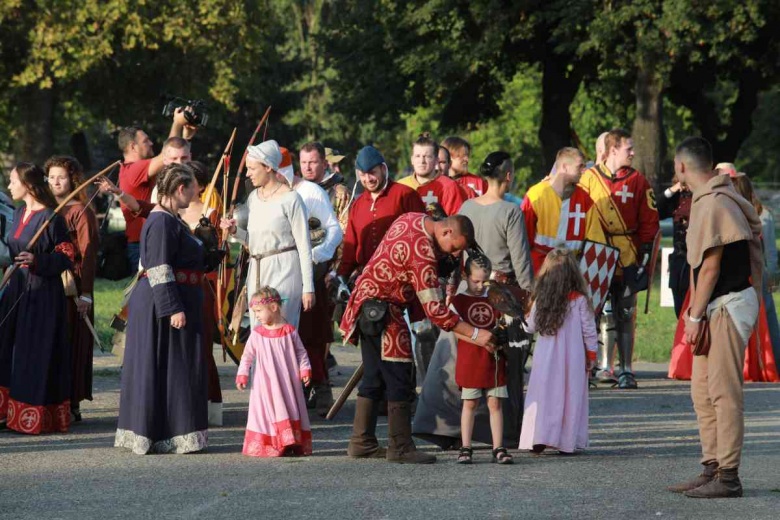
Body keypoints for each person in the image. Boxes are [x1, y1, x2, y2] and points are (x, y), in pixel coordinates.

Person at [340, 213, 495, 464]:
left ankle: (362, 442)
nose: (455, 255)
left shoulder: (413, 218)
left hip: (366, 305)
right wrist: (476, 334)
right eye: (454, 248)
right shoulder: (422, 252)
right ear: (445, 233)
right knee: (399, 376)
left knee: (374, 376)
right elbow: (435, 311)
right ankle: (400, 447)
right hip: (383, 311)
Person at [414, 151, 533, 450]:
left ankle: (446, 429)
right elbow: (521, 266)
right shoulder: (510, 212)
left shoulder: (467, 206)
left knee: (459, 366)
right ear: (509, 176)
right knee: (500, 368)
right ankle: (504, 435)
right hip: (498, 299)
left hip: (467, 296)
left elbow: (457, 255)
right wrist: (529, 299)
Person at [666, 137, 763, 498]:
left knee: (724, 393)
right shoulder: (713, 198)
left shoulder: (715, 201)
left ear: (681, 167)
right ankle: (712, 466)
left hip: (727, 303)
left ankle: (729, 476)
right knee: (702, 391)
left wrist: (693, 318)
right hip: (714, 306)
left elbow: (710, 267)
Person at [114, 164, 208, 454]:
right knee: (169, 366)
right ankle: (164, 433)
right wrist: (172, 308)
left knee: (174, 367)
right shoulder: (161, 222)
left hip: (174, 300)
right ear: (181, 189)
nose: (197, 192)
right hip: (163, 305)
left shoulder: (172, 219)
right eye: (193, 187)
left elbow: (187, 259)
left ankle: (170, 432)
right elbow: (159, 268)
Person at [578, 128, 660, 389]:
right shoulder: (588, 178)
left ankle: (625, 369)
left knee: (625, 312)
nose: (633, 152)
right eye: (629, 148)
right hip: (595, 254)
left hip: (627, 254)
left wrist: (645, 254)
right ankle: (588, 369)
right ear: (613, 150)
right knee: (590, 313)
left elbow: (649, 219)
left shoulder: (638, 181)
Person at [0, 163, 74, 434]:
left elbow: (67, 256)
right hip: (18, 287)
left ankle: (33, 415)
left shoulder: (52, 219)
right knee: (6, 345)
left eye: (13, 181)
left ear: (28, 185)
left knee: (34, 351)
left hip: (42, 293)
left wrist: (38, 260)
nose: (9, 186)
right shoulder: (19, 213)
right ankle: (6, 411)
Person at [221, 140, 314, 329]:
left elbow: (304, 246)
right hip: (257, 270)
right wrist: (234, 232)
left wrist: (308, 288)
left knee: (280, 332)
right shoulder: (254, 198)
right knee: (259, 333)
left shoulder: (291, 199)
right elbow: (253, 242)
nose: (247, 174)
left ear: (268, 167)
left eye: (252, 168)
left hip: (285, 270)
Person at [278, 147, 343, 415]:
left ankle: (320, 387)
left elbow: (333, 229)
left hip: (310, 272)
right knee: (288, 334)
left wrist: (316, 256)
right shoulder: (272, 194)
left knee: (311, 333)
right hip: (283, 273)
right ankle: (293, 390)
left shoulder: (311, 193)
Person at [519, 248, 598, 455]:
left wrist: (523, 315)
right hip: (573, 356)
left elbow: (530, 327)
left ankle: (539, 437)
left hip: (546, 357)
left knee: (543, 394)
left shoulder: (541, 298)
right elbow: (589, 329)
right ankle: (566, 441)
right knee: (569, 396)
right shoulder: (579, 299)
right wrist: (591, 355)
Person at [45, 156, 99, 423]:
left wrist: (85, 293)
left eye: (62, 176)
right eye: (52, 176)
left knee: (72, 340)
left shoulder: (81, 210)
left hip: (73, 284)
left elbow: (87, 254)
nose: (56, 181)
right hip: (48, 282)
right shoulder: (46, 209)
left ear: (73, 179)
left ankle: (71, 401)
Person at [235, 286, 312, 457]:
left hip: (286, 382)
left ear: (274, 307)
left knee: (288, 407)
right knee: (265, 411)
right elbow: (247, 355)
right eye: (254, 312)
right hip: (264, 385)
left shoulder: (289, 331)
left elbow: (301, 352)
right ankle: (270, 443)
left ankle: (289, 441)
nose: (256, 316)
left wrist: (305, 369)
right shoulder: (257, 334)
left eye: (259, 311)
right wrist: (243, 374)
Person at [177, 161, 225, 426]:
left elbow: (215, 256)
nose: (184, 185)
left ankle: (206, 405)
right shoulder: (172, 211)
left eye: (190, 180)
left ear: (202, 186)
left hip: (202, 285)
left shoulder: (211, 212)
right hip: (176, 284)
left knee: (201, 343)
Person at [117, 109, 195, 270]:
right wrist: (177, 123)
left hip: (148, 238)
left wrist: (185, 138)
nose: (151, 143)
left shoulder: (137, 170)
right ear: (133, 147)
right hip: (143, 243)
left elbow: (174, 161)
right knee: (151, 289)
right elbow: (167, 157)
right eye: (146, 141)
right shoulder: (134, 169)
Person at [454, 254, 513, 465]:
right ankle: (466, 446)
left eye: (484, 281)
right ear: (465, 276)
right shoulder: (458, 301)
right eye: (475, 281)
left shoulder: (496, 299)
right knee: (469, 403)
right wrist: (477, 338)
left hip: (493, 358)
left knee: (495, 403)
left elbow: (504, 322)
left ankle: (498, 447)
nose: (480, 286)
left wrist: (504, 333)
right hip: (470, 359)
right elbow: (455, 329)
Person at [337, 145, 425, 282]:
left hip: (403, 278)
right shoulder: (357, 205)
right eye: (362, 175)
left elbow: (421, 239)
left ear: (383, 169)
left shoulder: (405, 195)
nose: (368, 179)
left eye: (372, 172)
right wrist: (340, 277)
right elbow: (350, 248)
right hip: (367, 278)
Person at [521, 147, 606, 274]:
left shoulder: (585, 200)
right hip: (540, 269)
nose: (584, 170)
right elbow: (523, 238)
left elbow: (597, 244)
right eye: (580, 166)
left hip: (571, 270)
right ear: (565, 167)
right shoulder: (536, 195)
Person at [398, 133, 468, 216]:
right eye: (417, 156)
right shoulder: (400, 186)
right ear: (412, 160)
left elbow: (455, 223)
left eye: (427, 157)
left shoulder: (449, 186)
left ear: (436, 160)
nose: (422, 161)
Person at [656, 178, 692, 318]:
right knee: (680, 310)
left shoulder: (704, 196)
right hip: (679, 260)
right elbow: (656, 210)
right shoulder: (677, 198)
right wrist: (672, 190)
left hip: (697, 262)